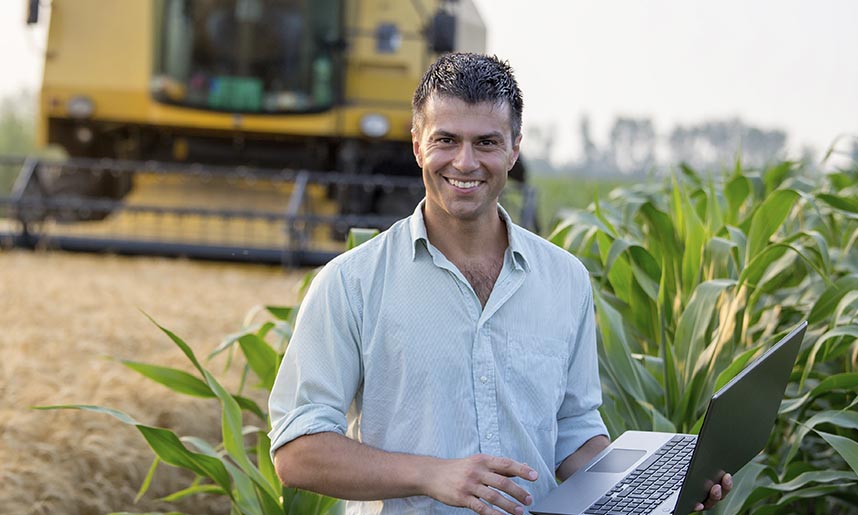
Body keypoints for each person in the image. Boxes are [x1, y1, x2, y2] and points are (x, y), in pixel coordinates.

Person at [268, 52, 731, 515]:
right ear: (416, 145)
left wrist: (665, 491)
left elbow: (573, 432)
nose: (465, 162)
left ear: (514, 148)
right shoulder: (352, 283)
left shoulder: (565, 278)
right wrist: (431, 474)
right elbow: (297, 451)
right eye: (445, 140)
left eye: (486, 142)